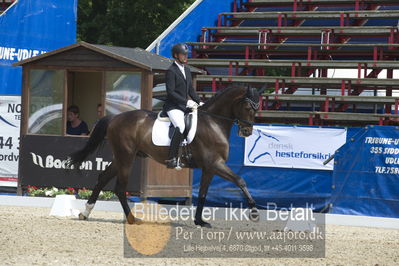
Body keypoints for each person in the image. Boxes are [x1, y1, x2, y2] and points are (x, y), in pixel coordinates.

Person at [163, 43, 203, 169]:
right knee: (180, 126)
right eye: (183, 54)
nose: (186, 57)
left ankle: (189, 154)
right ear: (176, 55)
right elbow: (171, 92)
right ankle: (171, 158)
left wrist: (198, 101)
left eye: (186, 54)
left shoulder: (186, 69)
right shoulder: (171, 71)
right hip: (173, 106)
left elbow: (190, 89)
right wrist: (186, 102)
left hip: (184, 106)